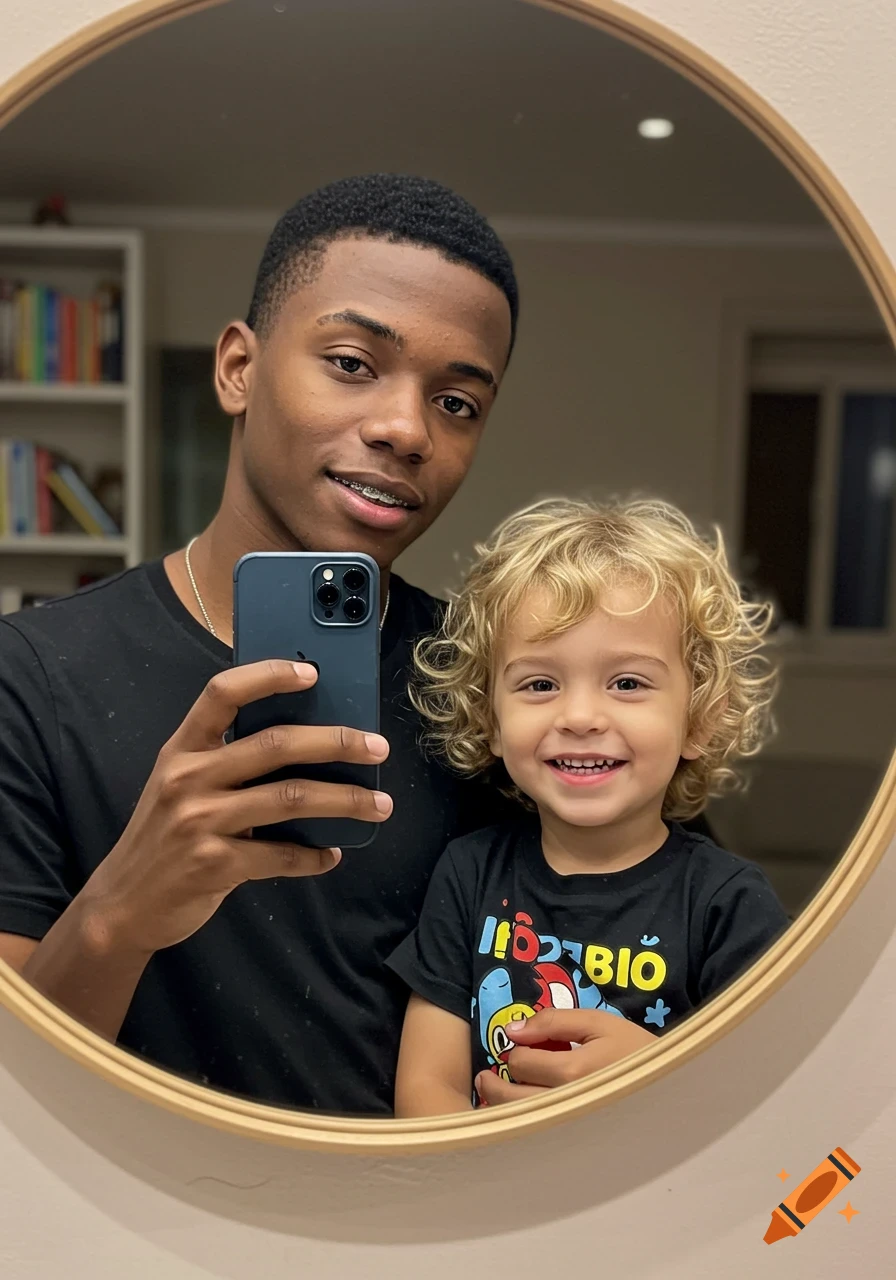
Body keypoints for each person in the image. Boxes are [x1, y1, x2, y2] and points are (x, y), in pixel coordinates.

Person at [0, 173, 520, 1115]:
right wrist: (122, 909)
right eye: (355, 363)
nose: (406, 429)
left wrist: (634, 1055)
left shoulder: (501, 687)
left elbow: (655, 933)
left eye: (457, 404)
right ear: (239, 369)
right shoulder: (28, 679)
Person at [389, 497, 790, 1117]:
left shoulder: (728, 906)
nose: (579, 717)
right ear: (490, 719)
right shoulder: (468, 875)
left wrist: (653, 1075)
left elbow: (769, 1109)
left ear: (699, 720)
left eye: (628, 683)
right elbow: (426, 1088)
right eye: (540, 684)